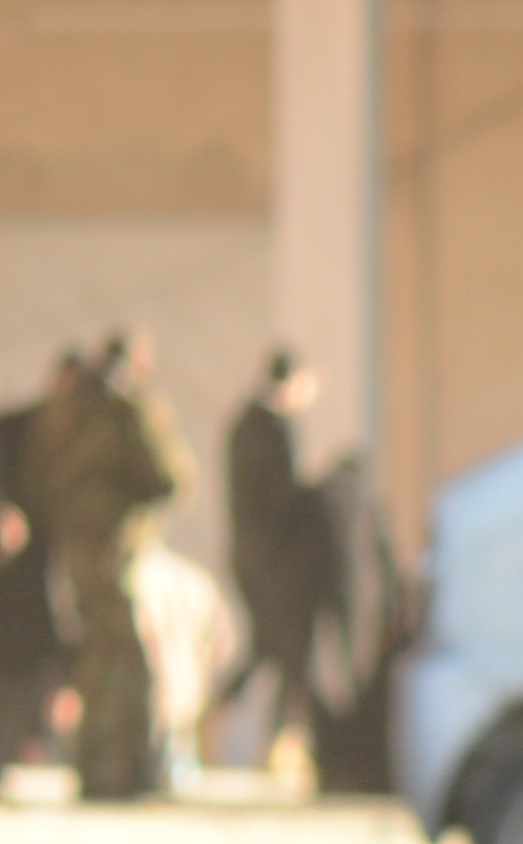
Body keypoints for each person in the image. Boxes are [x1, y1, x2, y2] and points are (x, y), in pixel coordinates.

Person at [17, 331, 188, 804]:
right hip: (121, 546)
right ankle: (126, 770)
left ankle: (94, 768)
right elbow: (173, 477)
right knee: (131, 656)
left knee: (95, 652)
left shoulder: (61, 410)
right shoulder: (130, 406)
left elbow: (34, 479)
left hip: (75, 547)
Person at [218, 350, 343, 778]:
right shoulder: (272, 427)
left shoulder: (245, 422)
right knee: (286, 653)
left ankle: (244, 729)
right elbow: (282, 497)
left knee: (269, 650)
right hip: (275, 562)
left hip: (253, 556)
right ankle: (278, 743)